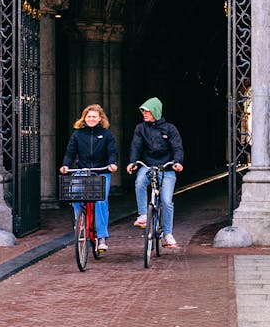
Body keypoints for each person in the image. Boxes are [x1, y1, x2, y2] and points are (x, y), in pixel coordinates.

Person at [60, 103, 118, 253]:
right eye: (89, 116)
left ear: (100, 119)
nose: (91, 119)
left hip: (101, 171)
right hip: (83, 170)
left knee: (101, 201)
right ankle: (80, 223)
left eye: (94, 116)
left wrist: (112, 164)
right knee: (75, 195)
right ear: (84, 118)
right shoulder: (77, 134)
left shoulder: (106, 134)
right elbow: (70, 153)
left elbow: (112, 152)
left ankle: (102, 237)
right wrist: (65, 165)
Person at [127, 97, 184, 248]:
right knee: (139, 182)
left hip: (167, 168)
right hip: (147, 165)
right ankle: (143, 215)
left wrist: (177, 162)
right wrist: (133, 162)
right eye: (143, 111)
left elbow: (177, 147)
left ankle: (168, 234)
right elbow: (136, 147)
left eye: (147, 111)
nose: (144, 113)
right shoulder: (140, 128)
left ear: (156, 112)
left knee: (166, 201)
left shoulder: (170, 129)